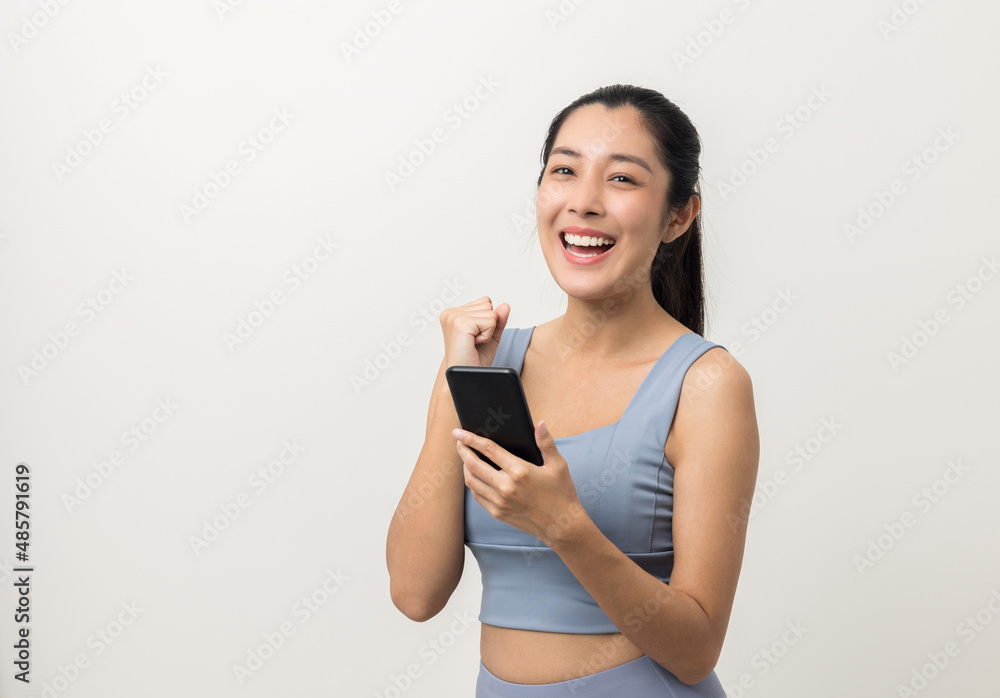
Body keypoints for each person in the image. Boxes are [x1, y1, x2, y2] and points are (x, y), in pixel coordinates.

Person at [386, 84, 759, 696]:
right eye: (564, 171)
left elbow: (696, 650)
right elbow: (414, 593)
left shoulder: (707, 385)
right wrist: (456, 386)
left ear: (678, 216)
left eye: (622, 179)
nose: (582, 202)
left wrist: (565, 525)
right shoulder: (487, 363)